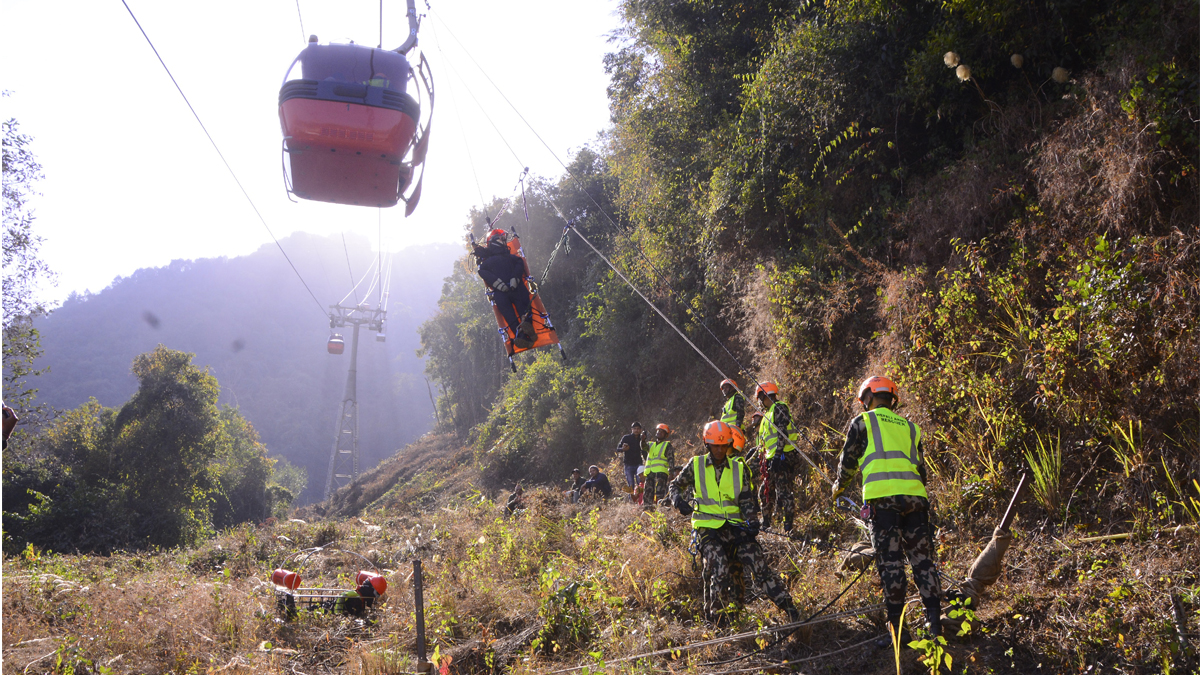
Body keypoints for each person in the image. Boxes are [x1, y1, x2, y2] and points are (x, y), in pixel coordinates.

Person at [832, 376, 942, 639]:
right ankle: (935, 625)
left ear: (868, 398)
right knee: (923, 561)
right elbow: (920, 469)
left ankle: (898, 633)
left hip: (883, 503)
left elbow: (848, 462)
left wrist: (838, 486)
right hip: (915, 499)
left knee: (891, 564)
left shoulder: (862, 422)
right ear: (892, 399)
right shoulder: (910, 427)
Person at [669, 420, 802, 623]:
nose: (721, 449)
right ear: (707, 444)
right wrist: (678, 501)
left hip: (736, 528)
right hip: (708, 529)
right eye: (716, 445)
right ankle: (718, 621)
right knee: (719, 569)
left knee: (758, 564)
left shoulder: (738, 469)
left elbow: (747, 499)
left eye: (724, 445)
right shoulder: (696, 465)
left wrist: (752, 520)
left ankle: (789, 608)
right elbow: (674, 486)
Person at [474, 228, 536, 348]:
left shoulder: (506, 258)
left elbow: (519, 263)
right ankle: (526, 330)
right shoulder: (507, 258)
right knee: (517, 309)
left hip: (505, 290)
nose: (504, 242)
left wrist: (512, 279)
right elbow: (483, 272)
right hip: (511, 289)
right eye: (502, 239)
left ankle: (523, 332)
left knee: (512, 312)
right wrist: (505, 282)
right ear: (495, 242)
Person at [756, 382, 802, 532]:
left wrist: (778, 455)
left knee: (783, 490)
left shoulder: (779, 407)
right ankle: (766, 523)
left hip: (784, 455)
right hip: (772, 457)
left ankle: (788, 526)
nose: (760, 401)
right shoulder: (766, 415)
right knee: (765, 491)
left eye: (760, 397)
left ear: (764, 395)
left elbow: (782, 432)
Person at [643, 423, 675, 505]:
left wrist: (671, 473)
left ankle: (660, 509)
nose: (659, 432)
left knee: (660, 493)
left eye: (662, 431)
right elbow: (643, 447)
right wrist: (642, 440)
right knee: (647, 493)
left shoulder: (667, 445)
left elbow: (671, 459)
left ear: (665, 435)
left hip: (661, 473)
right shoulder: (650, 444)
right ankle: (647, 509)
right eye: (658, 431)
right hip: (650, 472)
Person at [616, 422, 648, 492]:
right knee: (631, 484)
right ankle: (632, 501)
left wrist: (647, 462)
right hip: (628, 464)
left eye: (638, 429)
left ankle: (640, 500)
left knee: (641, 483)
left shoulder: (642, 438)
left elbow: (644, 451)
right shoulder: (626, 438)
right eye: (635, 429)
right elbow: (618, 448)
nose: (636, 430)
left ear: (640, 430)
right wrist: (623, 449)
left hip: (638, 464)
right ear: (632, 429)